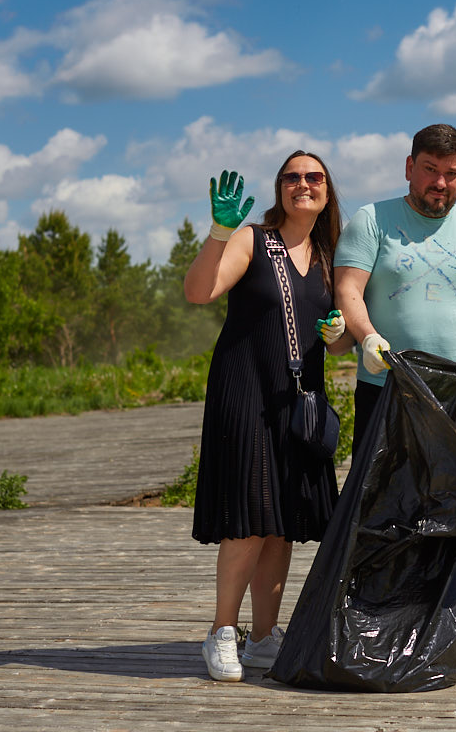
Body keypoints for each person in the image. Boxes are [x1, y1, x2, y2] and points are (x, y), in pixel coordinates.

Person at [184, 152, 354, 682]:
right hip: (246, 394)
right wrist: (218, 231)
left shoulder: (328, 255)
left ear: (326, 191)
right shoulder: (251, 239)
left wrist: (338, 336)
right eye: (292, 177)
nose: (303, 184)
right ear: (279, 188)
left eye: (314, 177)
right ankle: (221, 632)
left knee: (281, 526)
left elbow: (344, 341)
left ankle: (262, 638)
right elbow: (198, 292)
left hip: (297, 402)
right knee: (250, 519)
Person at [334, 124, 456, 453]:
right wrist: (368, 336)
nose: (440, 183)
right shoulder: (371, 219)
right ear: (409, 167)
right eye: (430, 169)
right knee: (381, 501)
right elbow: (348, 289)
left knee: (450, 500)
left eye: (452, 173)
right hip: (386, 387)